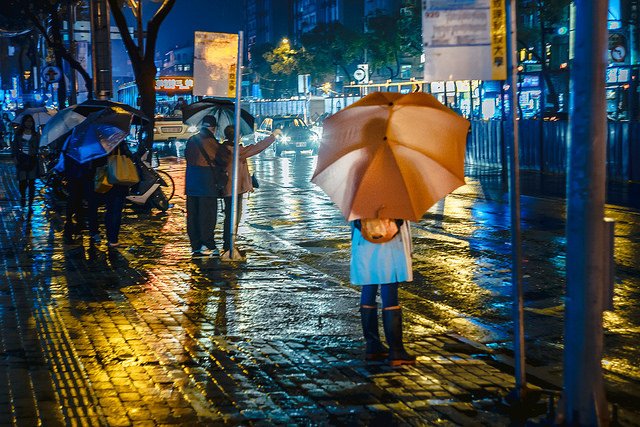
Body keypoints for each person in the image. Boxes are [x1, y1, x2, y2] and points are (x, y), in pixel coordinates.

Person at [351, 218, 416, 367]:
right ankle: (396, 350)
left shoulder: (357, 196)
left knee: (368, 286)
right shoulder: (392, 196)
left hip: (363, 241)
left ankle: (373, 346)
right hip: (389, 244)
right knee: (389, 290)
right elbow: (397, 219)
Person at [220, 125, 280, 255]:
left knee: (230, 217)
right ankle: (228, 245)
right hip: (235, 189)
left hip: (228, 188)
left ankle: (229, 244)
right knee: (233, 218)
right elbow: (257, 148)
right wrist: (273, 136)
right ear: (237, 136)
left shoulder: (224, 148)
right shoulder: (236, 151)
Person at [184, 115, 224, 257]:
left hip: (191, 183)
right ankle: (209, 244)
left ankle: (195, 246)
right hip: (207, 184)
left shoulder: (191, 140)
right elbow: (221, 159)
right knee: (207, 216)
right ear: (213, 128)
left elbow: (187, 156)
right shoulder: (212, 142)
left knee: (193, 215)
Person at [11, 114, 40, 207]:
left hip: (32, 159)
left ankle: (31, 200)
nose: (29, 123)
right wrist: (15, 158)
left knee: (32, 181)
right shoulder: (18, 134)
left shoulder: (36, 135)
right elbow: (14, 147)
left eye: (30, 121)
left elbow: (39, 146)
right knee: (22, 181)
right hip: (22, 159)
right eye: (27, 121)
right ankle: (23, 196)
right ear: (24, 122)